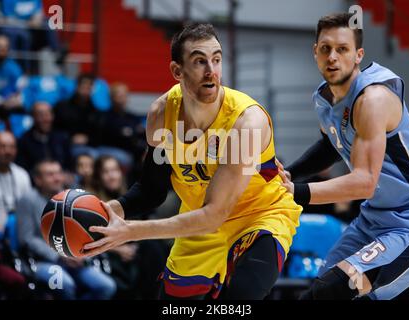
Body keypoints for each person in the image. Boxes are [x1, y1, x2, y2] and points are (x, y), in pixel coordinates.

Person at [82, 23, 302, 300]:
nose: (212, 70)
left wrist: (130, 231)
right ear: (177, 71)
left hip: (258, 215)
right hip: (198, 219)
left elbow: (216, 215)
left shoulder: (247, 122)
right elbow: (151, 190)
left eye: (217, 59)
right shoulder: (161, 114)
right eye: (200, 61)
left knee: (239, 300)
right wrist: (102, 212)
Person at [278, 13, 409, 300]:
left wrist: (293, 192)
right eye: (325, 49)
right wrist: (289, 173)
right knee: (320, 289)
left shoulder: (373, 99)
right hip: (374, 216)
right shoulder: (326, 97)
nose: (332, 57)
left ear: (358, 54)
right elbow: (330, 146)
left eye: (342, 49)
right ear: (315, 53)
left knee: (337, 290)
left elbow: (364, 183)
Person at [16, 159, 117, 300]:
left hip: (74, 258)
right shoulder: (28, 200)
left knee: (106, 286)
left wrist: (81, 254)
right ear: (38, 179)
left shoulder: (71, 198)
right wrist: (59, 254)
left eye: (58, 173)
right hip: (43, 261)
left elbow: (86, 231)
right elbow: (27, 238)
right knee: (65, 284)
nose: (57, 178)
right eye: (50, 174)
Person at [92, 155, 167, 299]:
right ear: (98, 176)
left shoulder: (131, 194)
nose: (112, 176)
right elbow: (91, 237)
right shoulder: (93, 202)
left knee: (154, 248)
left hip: (134, 248)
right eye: (106, 172)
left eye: (115, 170)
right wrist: (119, 250)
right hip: (109, 252)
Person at [0, 131, 31, 234]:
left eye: (12, 147)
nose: (8, 151)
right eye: (3, 146)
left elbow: (27, 207)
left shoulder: (22, 174)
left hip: (19, 232)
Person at [17, 101, 72, 173]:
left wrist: (67, 174)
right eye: (41, 115)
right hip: (37, 182)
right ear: (33, 117)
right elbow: (23, 171)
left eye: (48, 114)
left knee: (76, 183)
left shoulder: (62, 138)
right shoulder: (24, 141)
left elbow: (70, 166)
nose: (45, 119)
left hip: (62, 179)